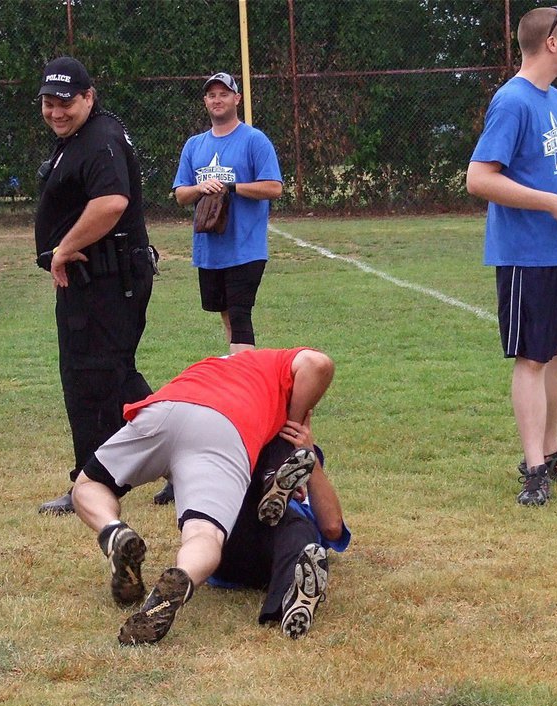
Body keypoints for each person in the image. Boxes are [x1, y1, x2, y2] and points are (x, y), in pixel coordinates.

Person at [70, 347, 335, 645]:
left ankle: (113, 530)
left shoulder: (213, 364)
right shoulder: (281, 362)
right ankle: (178, 580)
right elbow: (317, 363)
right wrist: (293, 422)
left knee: (88, 485)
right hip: (226, 426)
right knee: (203, 533)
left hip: (166, 408)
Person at [466, 6, 557, 507]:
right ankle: (534, 468)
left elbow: (545, 160)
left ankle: (553, 450)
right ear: (549, 43)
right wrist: (552, 202)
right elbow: (480, 178)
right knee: (532, 357)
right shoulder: (512, 101)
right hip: (528, 254)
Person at [33, 57, 158, 516]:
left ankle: (94, 481)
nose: (56, 111)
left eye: (65, 102)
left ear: (89, 97)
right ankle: (172, 466)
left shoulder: (99, 139)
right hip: (95, 282)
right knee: (99, 378)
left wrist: (63, 248)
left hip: (109, 280)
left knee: (104, 378)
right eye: (48, 103)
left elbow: (111, 203)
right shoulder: (80, 138)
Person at [209, 413, 350, 639]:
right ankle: (271, 488)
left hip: (278, 555)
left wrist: (310, 456)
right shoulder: (241, 454)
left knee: (300, 530)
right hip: (237, 540)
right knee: (260, 482)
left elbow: (333, 528)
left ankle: (292, 602)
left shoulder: (309, 463)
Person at [172, 72, 283, 355]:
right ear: (205, 101)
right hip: (210, 249)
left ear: (237, 98)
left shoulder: (254, 140)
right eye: (212, 95)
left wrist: (231, 187)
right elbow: (181, 195)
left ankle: (246, 386)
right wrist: (201, 188)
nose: (217, 100)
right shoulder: (194, 145)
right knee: (226, 315)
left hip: (245, 247)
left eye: (224, 94)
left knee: (239, 315)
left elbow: (273, 187)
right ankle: (242, 371)